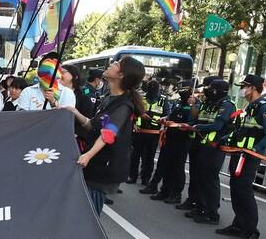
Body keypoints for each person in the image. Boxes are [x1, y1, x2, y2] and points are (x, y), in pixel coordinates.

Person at [67, 57, 146, 215]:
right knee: (82, 211)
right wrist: (75, 113)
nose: (111, 64)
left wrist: (88, 155)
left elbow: (108, 134)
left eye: (116, 64)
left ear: (121, 75)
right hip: (94, 165)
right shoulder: (108, 99)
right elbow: (94, 126)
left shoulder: (124, 105)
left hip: (103, 168)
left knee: (90, 216)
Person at [216, 74, 266, 239]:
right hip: (239, 154)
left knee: (244, 191)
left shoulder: (265, 108)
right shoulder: (249, 107)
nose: (242, 90)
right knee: (235, 189)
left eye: (245, 86)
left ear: (253, 88)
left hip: (250, 157)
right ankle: (238, 225)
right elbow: (241, 130)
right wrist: (226, 138)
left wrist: (255, 149)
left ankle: (251, 231)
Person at [186, 77, 235, 225]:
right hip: (202, 145)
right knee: (200, 177)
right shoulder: (209, 103)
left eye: (211, 88)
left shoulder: (226, 105)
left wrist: (198, 128)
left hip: (215, 147)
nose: (207, 90)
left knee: (210, 179)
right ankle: (201, 206)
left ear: (218, 91)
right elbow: (199, 119)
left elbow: (217, 126)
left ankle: (212, 212)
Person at [150, 80, 195, 204]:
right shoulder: (178, 103)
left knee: (177, 168)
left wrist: (180, 124)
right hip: (170, 137)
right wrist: (166, 119)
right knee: (167, 165)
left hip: (183, 140)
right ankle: (165, 190)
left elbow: (193, 123)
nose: (180, 91)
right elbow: (171, 116)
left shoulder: (194, 105)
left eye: (183, 88)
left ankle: (176, 194)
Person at [128, 79, 164, 186]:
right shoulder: (141, 98)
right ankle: (133, 176)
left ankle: (145, 178)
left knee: (149, 157)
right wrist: (133, 123)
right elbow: (133, 112)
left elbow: (166, 114)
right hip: (140, 131)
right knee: (135, 155)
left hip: (154, 133)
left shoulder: (162, 100)